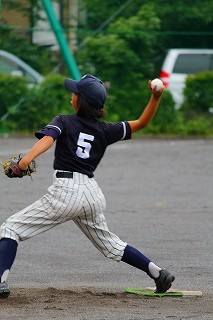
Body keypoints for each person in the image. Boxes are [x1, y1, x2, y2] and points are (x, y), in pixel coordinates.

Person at [0, 74, 175, 298]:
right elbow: (141, 123)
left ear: (79, 101)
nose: (71, 95)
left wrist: (24, 162)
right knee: (111, 246)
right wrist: (156, 97)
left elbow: (48, 139)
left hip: (66, 192)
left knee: (11, 229)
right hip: (91, 195)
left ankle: (1, 281)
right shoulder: (105, 130)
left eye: (75, 93)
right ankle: (158, 273)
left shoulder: (64, 121)